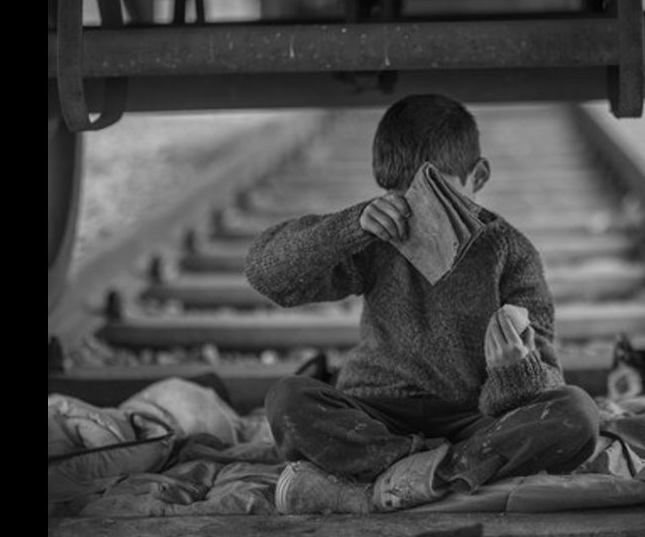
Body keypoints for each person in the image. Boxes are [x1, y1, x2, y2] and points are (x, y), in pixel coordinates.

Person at [245, 94, 599, 514]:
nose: (422, 214)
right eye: (409, 196)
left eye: (441, 196)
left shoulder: (510, 251)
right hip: (378, 414)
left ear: (478, 177)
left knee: (577, 414)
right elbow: (266, 273)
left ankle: (403, 481)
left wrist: (514, 370)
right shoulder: (379, 235)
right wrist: (349, 227)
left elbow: (549, 379)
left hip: (472, 417)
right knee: (287, 400)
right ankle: (434, 472)